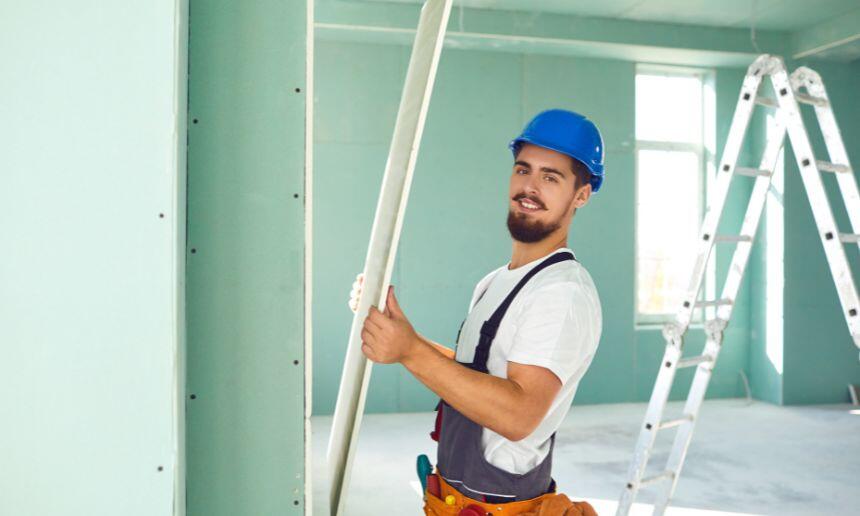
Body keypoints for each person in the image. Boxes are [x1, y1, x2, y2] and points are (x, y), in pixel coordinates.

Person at [350, 109, 604, 515]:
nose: (530, 187)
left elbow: (519, 414)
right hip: (454, 502)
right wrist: (399, 333)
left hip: (502, 505)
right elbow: (476, 373)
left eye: (551, 177)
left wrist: (410, 351)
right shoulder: (495, 281)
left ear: (581, 194)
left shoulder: (562, 293)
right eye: (523, 170)